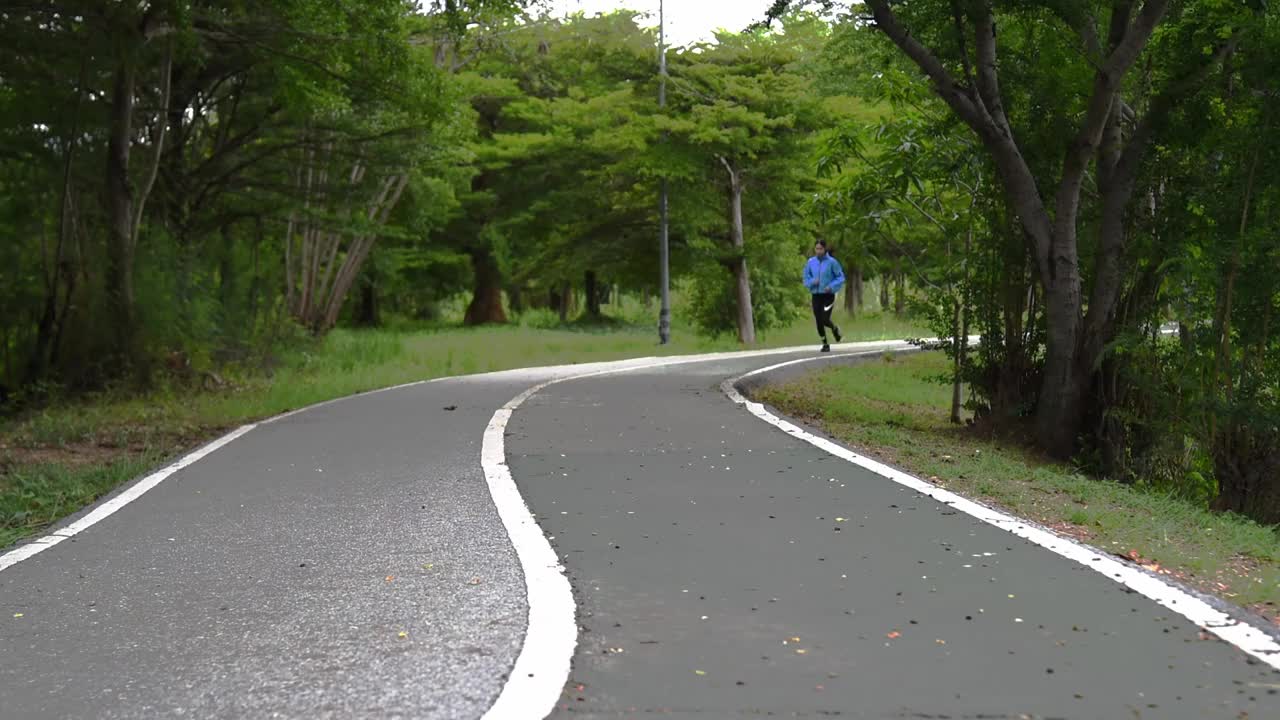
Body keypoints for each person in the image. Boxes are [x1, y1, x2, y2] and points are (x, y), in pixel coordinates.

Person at [803, 240, 845, 352]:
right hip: (816, 295)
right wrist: (812, 282)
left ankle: (834, 329)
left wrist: (831, 286)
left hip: (828, 295)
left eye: (820, 249)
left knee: (825, 319)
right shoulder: (811, 262)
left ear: (825, 249)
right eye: (816, 249)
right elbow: (805, 278)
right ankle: (825, 343)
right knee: (818, 320)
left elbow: (840, 277)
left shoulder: (832, 262)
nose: (818, 251)